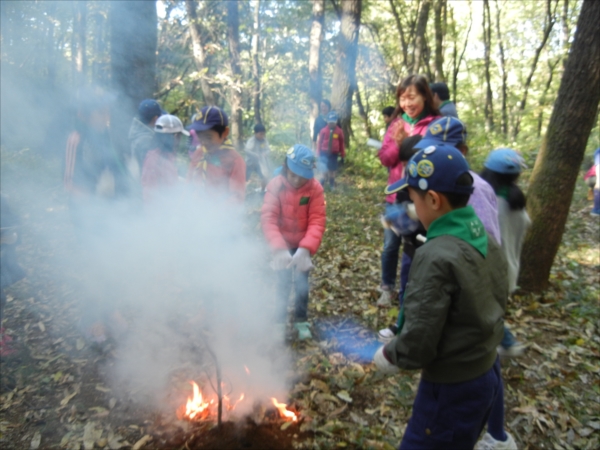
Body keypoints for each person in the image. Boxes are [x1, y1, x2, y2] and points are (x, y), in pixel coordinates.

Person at [373, 143, 506, 450]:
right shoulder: (482, 234)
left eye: (413, 199)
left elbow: (420, 336)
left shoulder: (435, 256)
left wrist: (393, 354)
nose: (411, 207)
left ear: (432, 199)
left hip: (451, 388)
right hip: (484, 371)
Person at [377, 74, 441, 306]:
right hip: (396, 196)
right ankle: (387, 288)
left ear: (424, 95)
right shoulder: (396, 123)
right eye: (402, 98)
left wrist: (412, 146)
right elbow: (384, 158)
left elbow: (440, 159)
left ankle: (413, 290)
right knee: (390, 244)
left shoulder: (436, 124)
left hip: (424, 199)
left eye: (411, 97)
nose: (407, 104)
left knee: (419, 246)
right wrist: (398, 143)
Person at [261, 145, 326, 341]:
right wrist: (279, 249)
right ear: (285, 168)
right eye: (293, 175)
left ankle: (300, 320)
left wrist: (305, 249)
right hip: (281, 243)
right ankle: (279, 321)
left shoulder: (315, 189)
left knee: (301, 285)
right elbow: (268, 218)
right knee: (282, 284)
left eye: (302, 176)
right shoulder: (275, 186)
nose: (297, 180)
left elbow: (317, 220)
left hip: (302, 245)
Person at [187, 106, 246, 203]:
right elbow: (188, 185)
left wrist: (212, 215)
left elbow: (236, 198)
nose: (204, 142)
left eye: (208, 137)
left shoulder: (235, 161)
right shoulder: (199, 153)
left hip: (218, 215)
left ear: (225, 132)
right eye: (200, 137)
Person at [141, 114, 189, 203]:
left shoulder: (168, 154)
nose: (180, 140)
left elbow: (167, 180)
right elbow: (149, 193)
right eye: (179, 136)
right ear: (174, 136)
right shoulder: (154, 159)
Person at [128, 99, 164, 180]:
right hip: (144, 184)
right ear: (155, 118)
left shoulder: (138, 131)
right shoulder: (146, 140)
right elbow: (149, 168)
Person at [316, 111, 345, 190]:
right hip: (324, 153)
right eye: (330, 122)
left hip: (334, 154)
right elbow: (319, 142)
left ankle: (332, 184)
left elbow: (342, 143)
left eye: (333, 122)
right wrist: (318, 153)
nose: (331, 124)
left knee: (332, 170)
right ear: (327, 122)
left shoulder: (339, 131)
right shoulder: (323, 131)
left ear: (336, 122)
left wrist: (342, 154)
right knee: (323, 169)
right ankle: (321, 185)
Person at [244, 123, 271, 192]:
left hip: (260, 163)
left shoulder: (264, 141)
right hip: (250, 163)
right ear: (255, 133)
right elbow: (247, 150)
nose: (262, 136)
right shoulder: (252, 141)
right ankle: (242, 192)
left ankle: (262, 190)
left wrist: (265, 153)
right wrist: (255, 155)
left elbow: (268, 150)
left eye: (263, 134)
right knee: (244, 178)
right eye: (260, 134)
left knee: (265, 176)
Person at [592, 148, 600, 216]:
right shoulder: (599, 152)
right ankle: (596, 209)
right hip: (592, 177)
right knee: (598, 184)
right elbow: (598, 167)